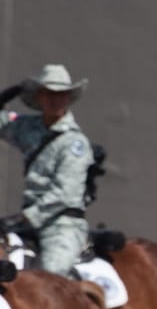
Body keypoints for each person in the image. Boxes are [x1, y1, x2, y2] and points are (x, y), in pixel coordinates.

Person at [0, 64, 95, 276]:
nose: (55, 99)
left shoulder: (74, 142)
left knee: (51, 277)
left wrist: (23, 217)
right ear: (39, 97)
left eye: (61, 94)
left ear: (68, 98)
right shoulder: (28, 128)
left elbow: (65, 194)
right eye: (49, 93)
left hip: (61, 225)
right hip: (25, 223)